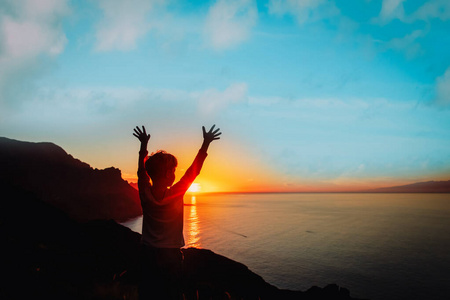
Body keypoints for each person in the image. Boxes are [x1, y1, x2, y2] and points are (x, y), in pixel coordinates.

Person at [133, 124, 221, 300]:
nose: (175, 173)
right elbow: (193, 171)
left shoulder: (144, 192)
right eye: (173, 170)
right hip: (170, 256)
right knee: (171, 293)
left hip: (148, 254)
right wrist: (205, 144)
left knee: (148, 293)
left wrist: (143, 146)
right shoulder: (175, 193)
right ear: (167, 173)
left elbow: (141, 172)